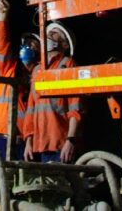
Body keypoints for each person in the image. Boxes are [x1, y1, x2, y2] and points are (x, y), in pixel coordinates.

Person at [0, 0, 38, 160]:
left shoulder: (38, 76)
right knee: (0, 180)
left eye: (33, 44)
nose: (28, 47)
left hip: (25, 141)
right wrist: (3, 16)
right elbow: (2, 45)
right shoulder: (9, 68)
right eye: (26, 43)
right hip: (3, 137)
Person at [22, 22, 82, 163]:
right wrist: (29, 141)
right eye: (49, 33)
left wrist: (71, 140)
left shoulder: (68, 65)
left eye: (54, 33)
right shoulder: (38, 70)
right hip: (42, 144)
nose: (49, 35)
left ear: (65, 45)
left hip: (62, 145)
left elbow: (76, 107)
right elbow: (31, 109)